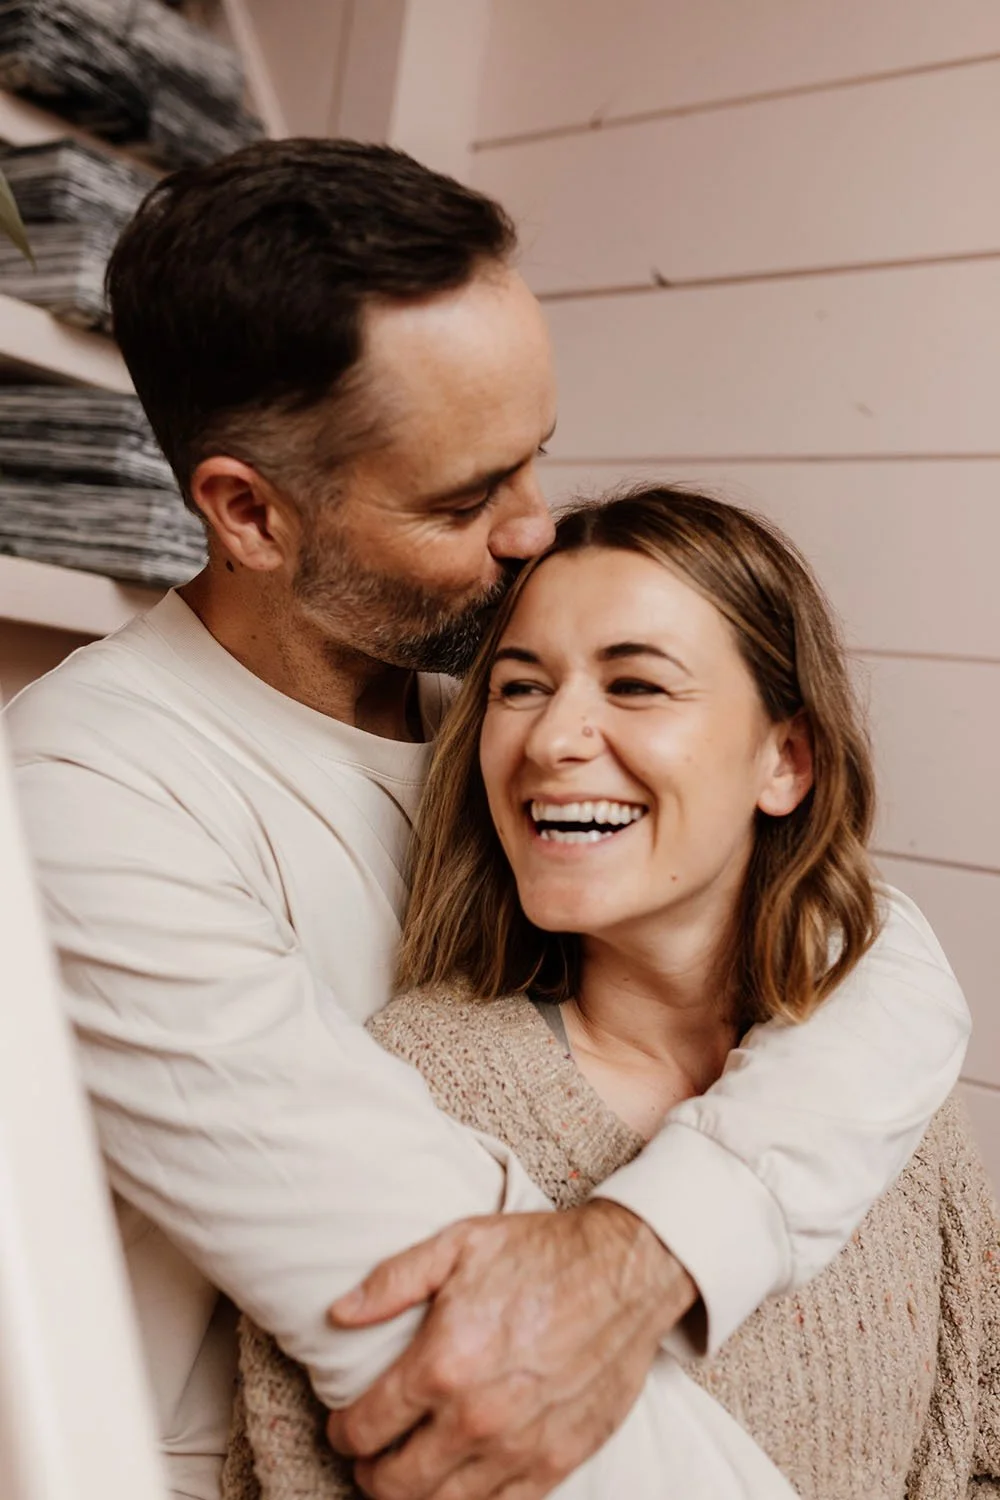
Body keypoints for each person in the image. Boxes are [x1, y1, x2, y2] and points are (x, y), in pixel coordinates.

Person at [4, 141, 969, 1500]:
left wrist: (655, 1240)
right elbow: (479, 1344)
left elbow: (872, 952)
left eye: (535, 461)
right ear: (249, 513)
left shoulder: (508, 713)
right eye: (466, 500)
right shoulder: (84, 800)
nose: (535, 534)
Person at [228, 487, 1000, 1500]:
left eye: (635, 685)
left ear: (786, 759)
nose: (553, 739)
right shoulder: (406, 1093)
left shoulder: (889, 1102)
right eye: (517, 687)